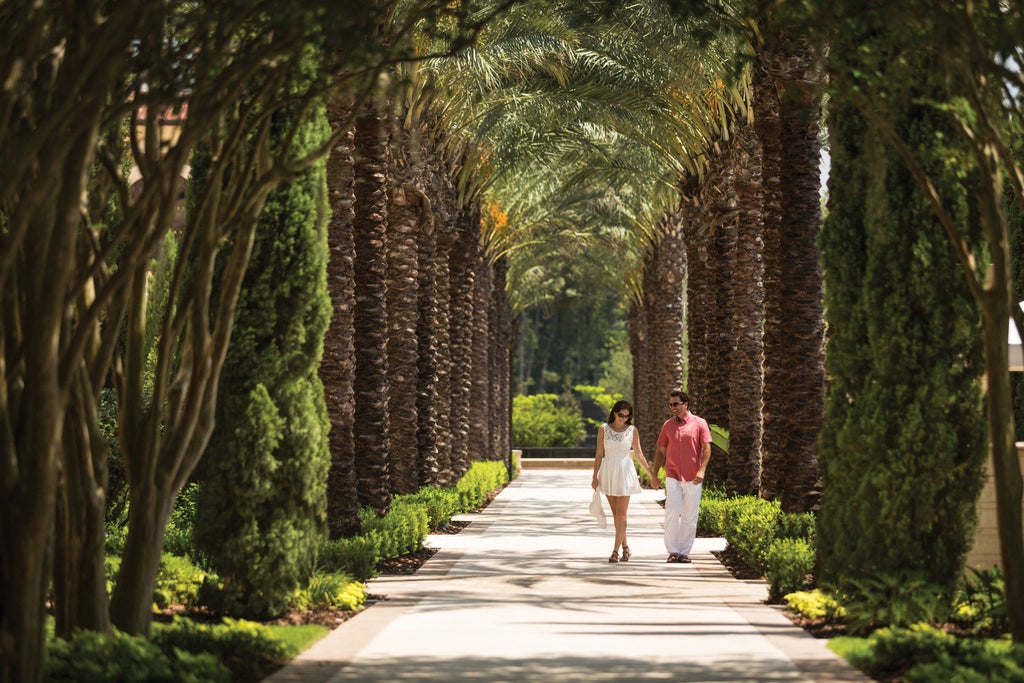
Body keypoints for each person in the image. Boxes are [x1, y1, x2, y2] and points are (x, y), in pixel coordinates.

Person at [591, 400, 658, 563]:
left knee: (621, 515)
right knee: (616, 515)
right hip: (608, 472)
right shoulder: (603, 429)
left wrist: (651, 475)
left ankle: (615, 551)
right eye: (621, 415)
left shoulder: (632, 430)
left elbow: (639, 455)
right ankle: (626, 548)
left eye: (627, 416)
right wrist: (594, 476)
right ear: (614, 413)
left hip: (624, 472)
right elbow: (599, 454)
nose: (624, 418)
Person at [652, 391, 712, 564]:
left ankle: (684, 552)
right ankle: (673, 551)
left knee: (689, 514)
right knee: (672, 511)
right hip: (672, 475)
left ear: (686, 404)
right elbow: (661, 451)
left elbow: (707, 449)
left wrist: (702, 470)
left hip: (694, 476)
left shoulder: (700, 423)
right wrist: (655, 475)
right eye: (670, 405)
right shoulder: (668, 426)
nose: (672, 408)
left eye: (675, 404)